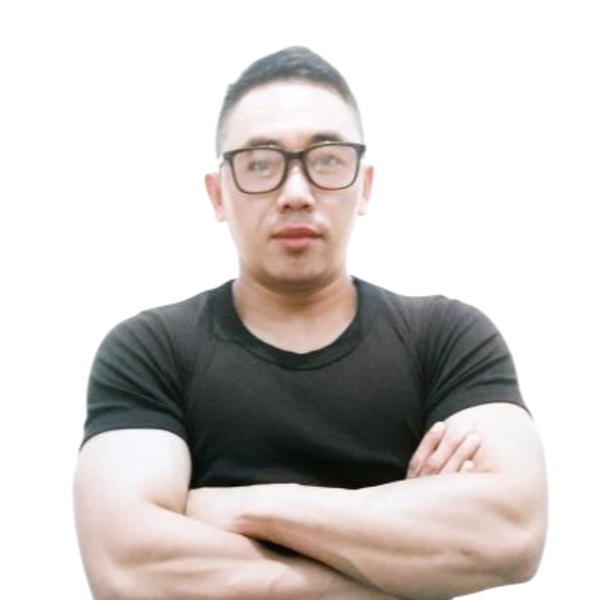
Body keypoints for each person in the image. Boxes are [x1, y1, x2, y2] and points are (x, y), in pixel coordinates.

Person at [74, 47, 547, 600]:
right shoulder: (151, 350)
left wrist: (244, 506)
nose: (296, 194)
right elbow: (128, 568)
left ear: (364, 185)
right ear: (218, 194)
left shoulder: (446, 339)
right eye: (259, 164)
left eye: (326, 160)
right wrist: (401, 562)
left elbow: (511, 534)